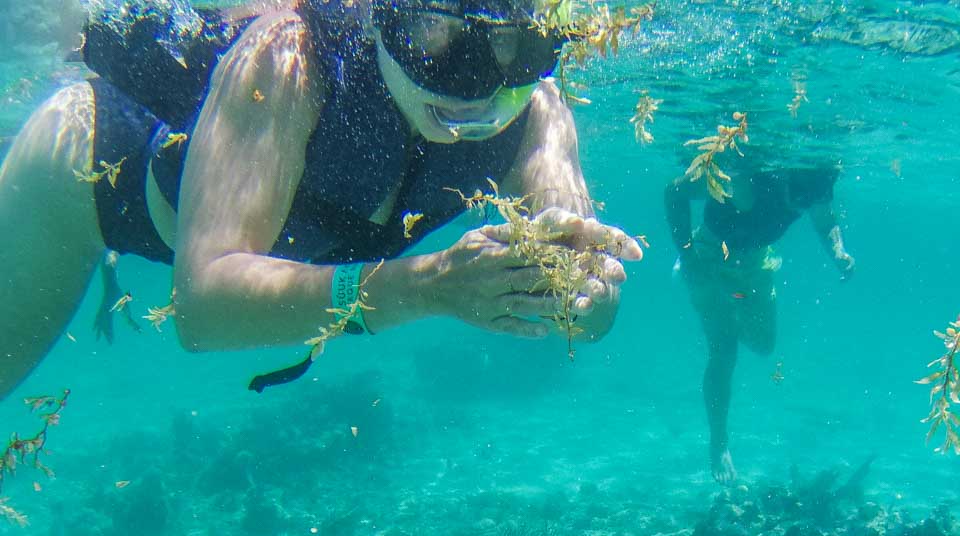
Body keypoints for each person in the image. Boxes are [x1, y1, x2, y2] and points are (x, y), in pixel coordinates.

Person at [0, 0, 642, 401]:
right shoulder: (290, 56)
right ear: (378, 15)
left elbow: (580, 296)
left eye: (509, 43)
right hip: (89, 173)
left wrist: (587, 293)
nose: (472, 86)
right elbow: (203, 309)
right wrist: (434, 286)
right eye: (431, 33)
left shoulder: (536, 111)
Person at [665, 156, 855, 483]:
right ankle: (719, 443)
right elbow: (674, 191)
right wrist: (687, 253)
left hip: (755, 262)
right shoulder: (746, 177)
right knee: (724, 351)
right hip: (711, 255)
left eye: (808, 200)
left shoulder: (816, 182)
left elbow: (825, 221)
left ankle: (725, 304)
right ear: (786, 176)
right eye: (798, 198)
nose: (802, 205)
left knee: (764, 345)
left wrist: (838, 252)